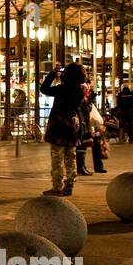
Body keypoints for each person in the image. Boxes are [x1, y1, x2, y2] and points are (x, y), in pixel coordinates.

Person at [41, 62, 86, 196]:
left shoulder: (62, 89)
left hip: (58, 126)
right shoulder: (79, 91)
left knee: (57, 158)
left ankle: (57, 186)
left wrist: (53, 74)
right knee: (71, 157)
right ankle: (70, 184)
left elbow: (44, 89)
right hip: (72, 126)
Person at [76, 85, 107, 175]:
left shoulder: (84, 98)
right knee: (82, 146)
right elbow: (86, 110)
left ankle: (98, 167)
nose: (87, 91)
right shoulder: (80, 98)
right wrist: (90, 101)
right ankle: (81, 167)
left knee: (96, 144)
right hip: (83, 126)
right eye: (86, 89)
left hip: (89, 125)